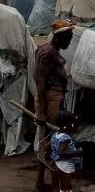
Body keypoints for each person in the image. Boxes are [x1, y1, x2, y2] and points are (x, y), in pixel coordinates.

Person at [35, 19, 74, 191]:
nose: (69, 42)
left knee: (48, 141)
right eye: (68, 39)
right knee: (55, 141)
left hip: (54, 98)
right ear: (58, 38)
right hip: (51, 100)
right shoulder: (48, 52)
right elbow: (41, 82)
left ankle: (40, 183)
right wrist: (42, 112)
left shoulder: (50, 51)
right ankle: (53, 185)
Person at [50, 111, 83, 192]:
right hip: (64, 165)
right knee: (66, 188)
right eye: (73, 124)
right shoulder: (66, 138)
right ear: (68, 125)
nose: (74, 126)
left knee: (55, 186)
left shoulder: (55, 135)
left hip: (55, 164)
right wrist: (77, 152)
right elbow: (61, 153)